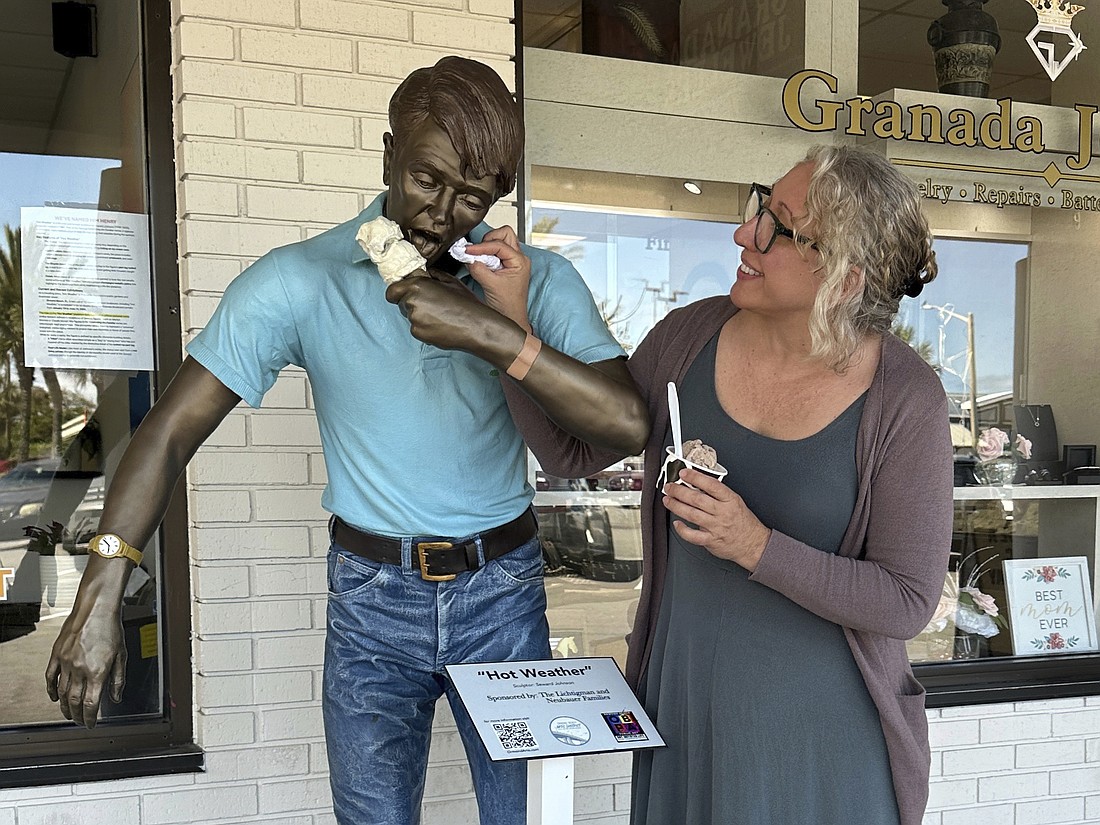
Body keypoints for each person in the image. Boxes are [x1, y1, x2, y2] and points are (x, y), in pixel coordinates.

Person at [44, 56, 649, 825]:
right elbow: (168, 430)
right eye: (428, 179)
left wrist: (496, 332)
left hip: (503, 593)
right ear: (389, 152)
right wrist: (100, 589)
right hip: (372, 600)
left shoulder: (527, 284)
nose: (442, 214)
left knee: (525, 817)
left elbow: (627, 423)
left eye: (473, 197)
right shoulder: (302, 279)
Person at [502, 145, 953, 825]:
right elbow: (575, 450)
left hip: (825, 752)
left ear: (845, 277)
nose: (745, 234)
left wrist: (755, 545)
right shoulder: (687, 338)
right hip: (687, 720)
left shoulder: (904, 399)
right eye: (758, 207)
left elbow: (907, 600)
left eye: (778, 227)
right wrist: (505, 334)